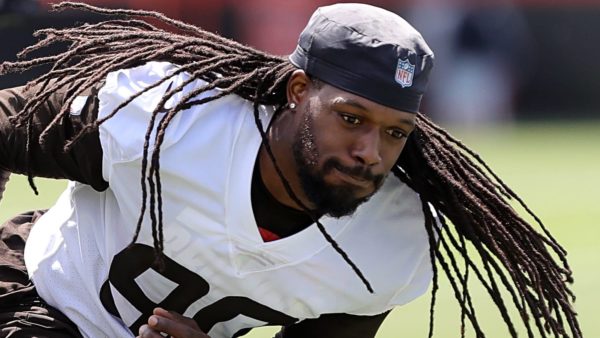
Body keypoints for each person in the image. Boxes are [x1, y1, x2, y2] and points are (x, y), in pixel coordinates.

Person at [0, 2, 580, 338]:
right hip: (34, 293)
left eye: (396, 132)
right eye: (351, 118)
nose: (370, 152)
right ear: (297, 91)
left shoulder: (388, 246)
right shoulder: (171, 117)